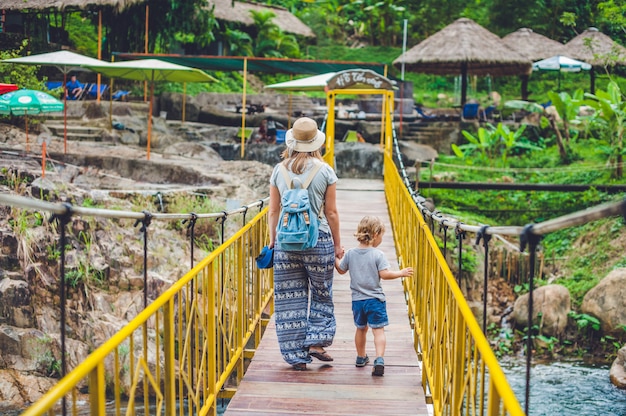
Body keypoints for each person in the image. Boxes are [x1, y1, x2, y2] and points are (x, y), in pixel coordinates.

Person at [268, 117, 343, 371]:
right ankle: (317, 343)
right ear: (316, 142)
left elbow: (273, 211)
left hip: (285, 243)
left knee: (289, 297)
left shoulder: (279, 170)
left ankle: (295, 356)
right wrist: (338, 245)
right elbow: (331, 212)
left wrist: (273, 241)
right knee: (322, 293)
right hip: (318, 239)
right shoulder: (325, 170)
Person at [335, 216, 413, 376]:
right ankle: (379, 359)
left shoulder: (350, 254)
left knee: (361, 329)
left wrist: (336, 258)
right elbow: (384, 275)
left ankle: (361, 357)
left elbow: (341, 270)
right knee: (378, 330)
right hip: (375, 300)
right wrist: (401, 273)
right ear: (376, 234)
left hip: (358, 301)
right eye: (382, 236)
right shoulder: (378, 254)